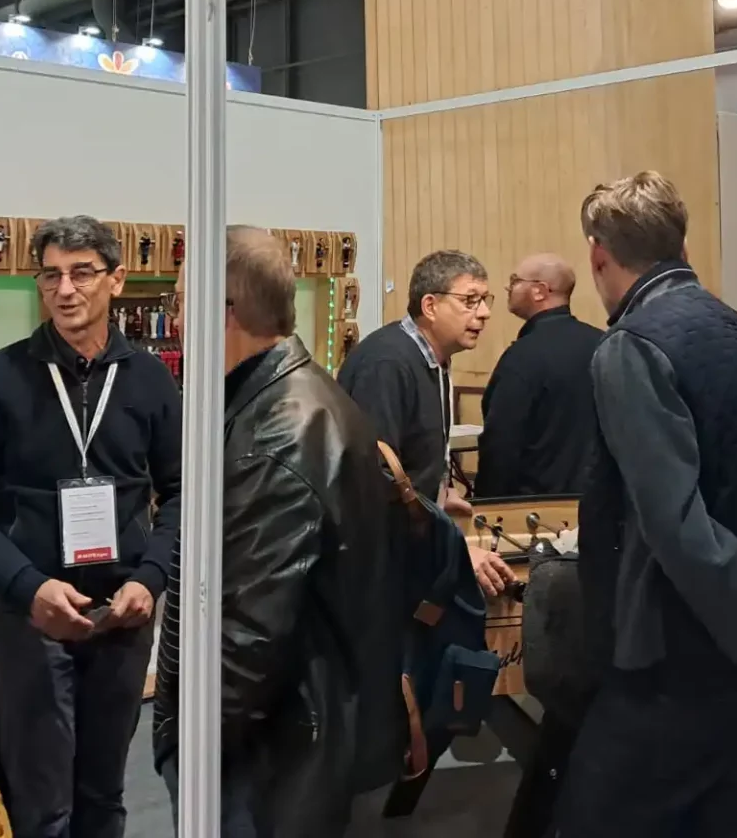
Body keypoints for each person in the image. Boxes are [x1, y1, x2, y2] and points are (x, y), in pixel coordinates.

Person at [553, 171, 737, 838]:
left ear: (598, 255)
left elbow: (678, 528)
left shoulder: (632, 348)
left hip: (666, 672)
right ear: (681, 245)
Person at [0, 215, 182, 838]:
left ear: (116, 280)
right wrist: (27, 586)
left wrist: (151, 578)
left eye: (81, 273)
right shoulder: (1, 377)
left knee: (104, 797)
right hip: (33, 620)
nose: (65, 290)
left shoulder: (151, 379)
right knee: (41, 806)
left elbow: (183, 492)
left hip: (121, 618)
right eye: (51, 275)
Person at [153, 227, 399, 837]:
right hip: (296, 739)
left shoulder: (277, 434)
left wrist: (188, 747)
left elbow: (249, 638)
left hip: (273, 762)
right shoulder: (291, 400)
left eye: (180, 302)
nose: (174, 322)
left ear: (221, 310)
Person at [338, 249, 515, 596]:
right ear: (430, 306)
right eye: (470, 300)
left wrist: (437, 491)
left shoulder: (434, 358)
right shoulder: (386, 365)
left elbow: (410, 461)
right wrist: (450, 547)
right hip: (375, 571)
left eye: (485, 300)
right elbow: (373, 481)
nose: (484, 312)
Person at [475, 254, 603, 499]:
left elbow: (501, 443)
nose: (508, 288)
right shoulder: (604, 343)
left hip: (535, 508)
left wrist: (486, 502)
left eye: (515, 281)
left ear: (539, 291)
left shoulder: (523, 356)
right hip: (598, 503)